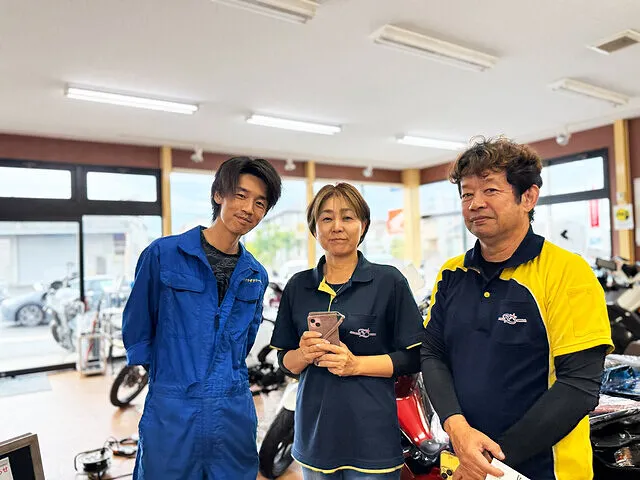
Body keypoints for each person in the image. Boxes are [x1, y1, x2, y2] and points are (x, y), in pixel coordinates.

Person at [420, 137, 613, 480]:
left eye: (490, 190)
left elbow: (578, 388)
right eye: (466, 194)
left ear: (528, 197)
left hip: (543, 469)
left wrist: (489, 462)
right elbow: (432, 354)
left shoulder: (567, 272)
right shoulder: (451, 274)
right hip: (464, 459)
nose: (475, 203)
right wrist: (457, 430)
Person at [122, 156, 281, 480]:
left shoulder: (255, 274)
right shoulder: (163, 255)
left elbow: (245, 340)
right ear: (218, 195)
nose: (248, 208)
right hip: (172, 408)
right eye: (240, 195)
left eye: (259, 203)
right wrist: (171, 376)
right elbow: (137, 327)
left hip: (232, 409)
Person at [270, 183, 425, 480]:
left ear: (363, 225)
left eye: (348, 217)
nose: (337, 226)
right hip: (315, 439)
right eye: (326, 218)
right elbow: (285, 363)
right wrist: (303, 354)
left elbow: (414, 358)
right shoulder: (298, 286)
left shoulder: (389, 282)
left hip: (373, 441)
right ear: (315, 228)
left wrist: (356, 365)